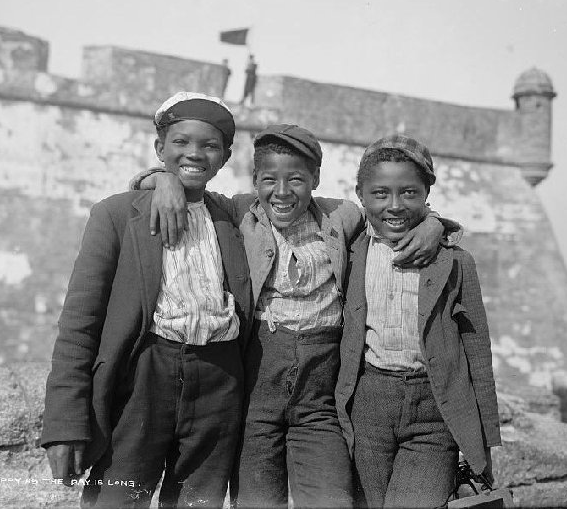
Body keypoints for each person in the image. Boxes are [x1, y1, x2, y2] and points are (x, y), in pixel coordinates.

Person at [131, 124, 461, 508]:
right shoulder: (238, 211)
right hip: (256, 397)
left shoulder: (342, 217)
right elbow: (190, 190)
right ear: (255, 181)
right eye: (269, 180)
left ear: (316, 179)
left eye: (297, 180)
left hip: (318, 403)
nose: (283, 192)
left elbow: (395, 211)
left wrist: (434, 225)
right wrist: (163, 179)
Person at [40, 92, 254, 509]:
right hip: (142, 377)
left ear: (226, 157)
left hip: (219, 382)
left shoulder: (235, 216)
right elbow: (79, 323)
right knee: (117, 499)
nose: (194, 154)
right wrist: (64, 424)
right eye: (180, 143)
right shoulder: (116, 215)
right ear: (159, 149)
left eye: (209, 146)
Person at [335, 134, 501, 508]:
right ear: (360, 195)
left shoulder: (456, 262)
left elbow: (478, 353)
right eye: (380, 194)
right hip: (367, 405)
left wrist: (486, 441)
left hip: (433, 412)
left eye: (409, 193)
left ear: (427, 193)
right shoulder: (347, 250)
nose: (394, 206)